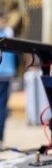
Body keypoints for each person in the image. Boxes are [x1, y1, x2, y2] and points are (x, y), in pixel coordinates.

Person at [0, 10, 17, 148]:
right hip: (6, 74)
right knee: (2, 106)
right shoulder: (8, 33)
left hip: (6, 74)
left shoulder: (8, 33)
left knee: (2, 107)